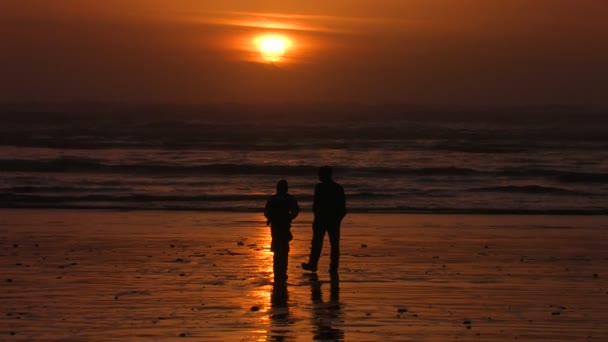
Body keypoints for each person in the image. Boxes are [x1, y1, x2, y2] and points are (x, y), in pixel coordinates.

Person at [302, 166, 346, 274]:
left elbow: (316, 205)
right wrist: (338, 219)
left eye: (320, 174)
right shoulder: (338, 188)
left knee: (318, 243)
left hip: (322, 219)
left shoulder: (320, 187)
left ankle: (313, 264)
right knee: (333, 244)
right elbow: (343, 207)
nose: (318, 176)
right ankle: (333, 267)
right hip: (331, 219)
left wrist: (316, 217)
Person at [264, 179, 300, 281]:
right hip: (282, 225)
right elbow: (296, 210)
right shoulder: (288, 199)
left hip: (278, 225)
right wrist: (290, 217)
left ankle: (278, 271)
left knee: (278, 248)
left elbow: (266, 211)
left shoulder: (273, 199)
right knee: (283, 248)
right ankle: (281, 271)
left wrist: (270, 217)